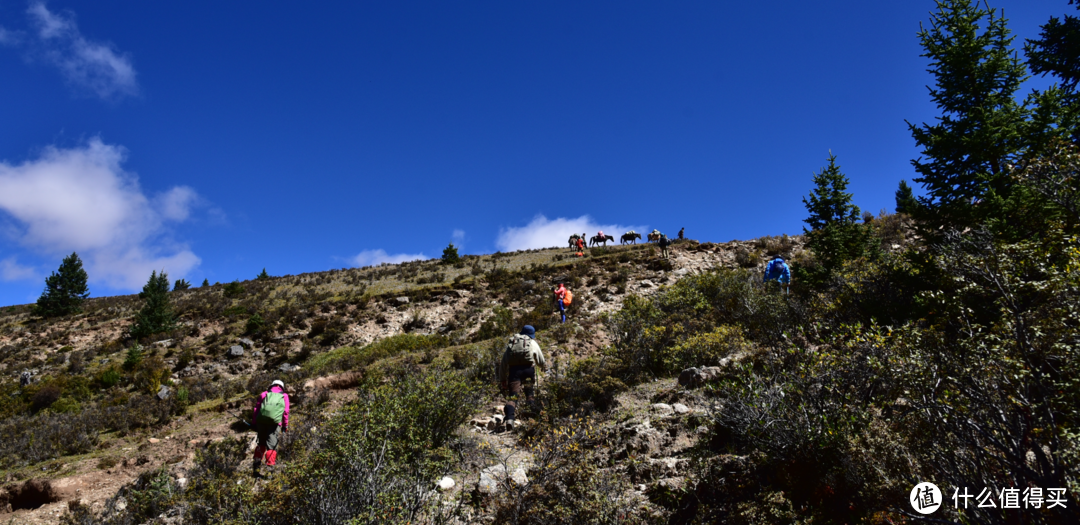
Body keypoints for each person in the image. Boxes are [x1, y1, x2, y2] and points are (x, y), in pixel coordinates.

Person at [499, 325, 546, 429]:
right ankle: (531, 419)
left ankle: (510, 418)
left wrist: (502, 379)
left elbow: (503, 363)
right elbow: (541, 360)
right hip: (528, 370)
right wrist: (543, 366)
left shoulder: (512, 343)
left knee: (513, 396)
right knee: (529, 394)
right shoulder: (532, 343)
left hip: (514, 371)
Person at [252, 379, 290, 475]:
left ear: (271, 385)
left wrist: (254, 423)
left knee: (261, 443)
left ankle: (256, 467)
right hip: (275, 424)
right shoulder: (284, 396)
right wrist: (285, 425)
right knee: (272, 446)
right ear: (282, 387)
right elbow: (286, 412)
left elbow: (256, 409)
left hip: (261, 422)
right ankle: (269, 471)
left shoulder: (264, 394)